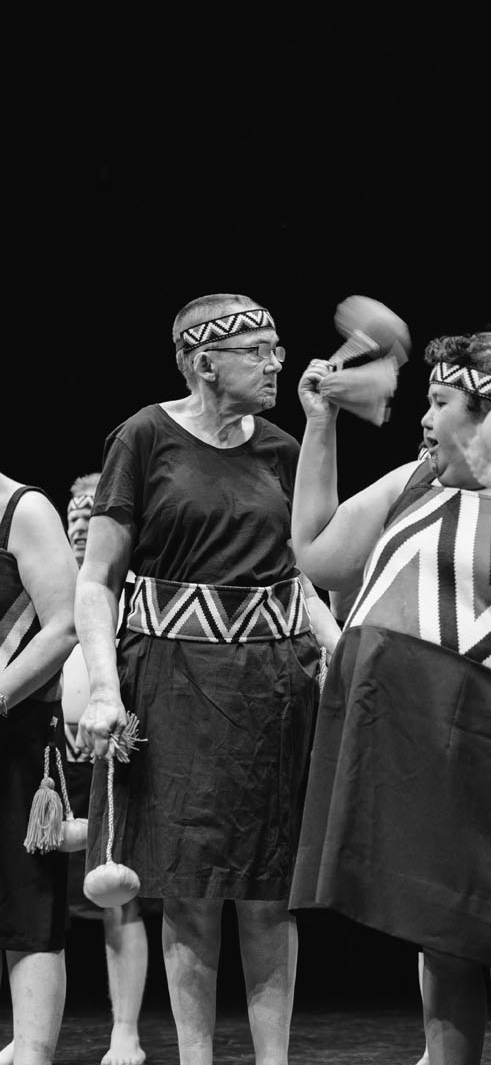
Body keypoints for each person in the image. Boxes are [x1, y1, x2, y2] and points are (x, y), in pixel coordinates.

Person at [289, 329, 491, 1065]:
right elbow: (317, 554)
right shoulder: (414, 480)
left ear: (489, 416)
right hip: (407, 733)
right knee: (441, 934)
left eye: (439, 403)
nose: (424, 418)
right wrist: (320, 427)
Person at [75, 294, 328, 1065]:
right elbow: (97, 580)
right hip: (175, 685)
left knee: (267, 889)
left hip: (271, 687)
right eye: (259, 350)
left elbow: (305, 575)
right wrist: (102, 687)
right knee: (190, 891)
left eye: (278, 347)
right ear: (204, 361)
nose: (276, 362)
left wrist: (340, 649)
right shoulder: (145, 436)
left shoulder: (283, 448)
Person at [59, 472, 152, 1065]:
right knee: (32, 897)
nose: (78, 521)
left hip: (110, 755)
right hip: (53, 760)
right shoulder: (44, 584)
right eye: (71, 511)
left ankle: (126, 1031)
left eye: (90, 510)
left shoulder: (127, 590)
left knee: (118, 895)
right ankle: (30, 1027)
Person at [0, 475, 78, 1065]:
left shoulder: (22, 511)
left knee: (25, 900)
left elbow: (64, 623)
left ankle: (31, 1052)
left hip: (16, 735)